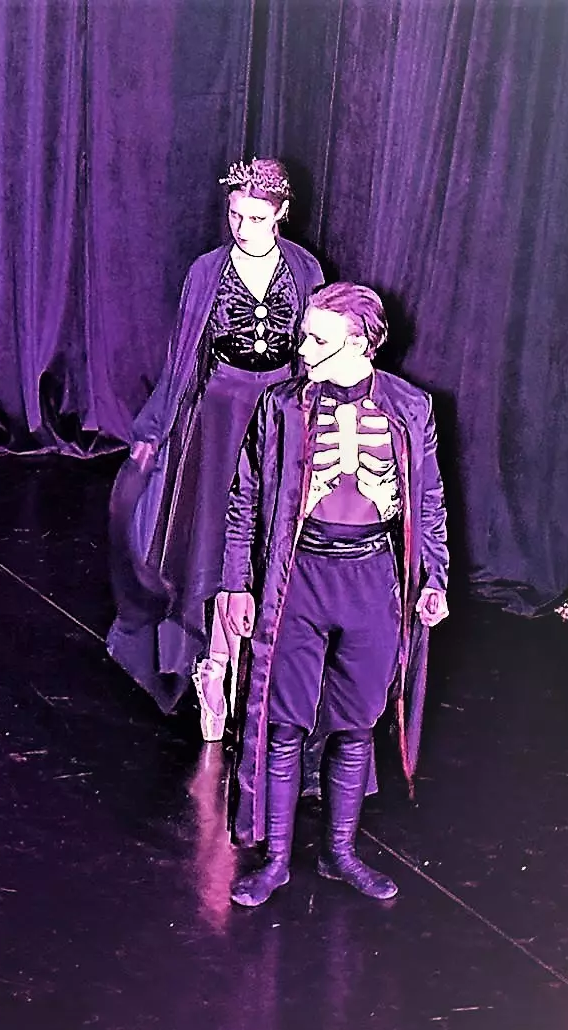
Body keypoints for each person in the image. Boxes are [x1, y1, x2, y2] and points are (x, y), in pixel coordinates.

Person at [216, 283, 449, 907]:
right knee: (284, 722)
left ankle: (340, 852)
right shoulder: (281, 406)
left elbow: (428, 500)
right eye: (305, 335)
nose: (302, 349)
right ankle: (275, 859)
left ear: (361, 343)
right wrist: (236, 582)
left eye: (318, 339)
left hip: (372, 580)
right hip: (298, 579)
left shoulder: (411, 408)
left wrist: (435, 577)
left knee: (356, 724)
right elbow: (244, 499)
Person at [108, 159, 325, 740]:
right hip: (218, 417)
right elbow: (183, 355)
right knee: (212, 537)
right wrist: (156, 428)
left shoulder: (305, 269)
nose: (243, 228)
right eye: (235, 215)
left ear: (281, 214)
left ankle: (259, 666)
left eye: (256, 218)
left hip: (279, 414)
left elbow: (315, 351)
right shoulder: (207, 270)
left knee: (268, 534)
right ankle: (212, 666)